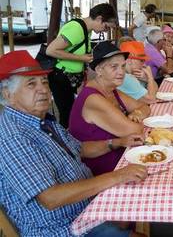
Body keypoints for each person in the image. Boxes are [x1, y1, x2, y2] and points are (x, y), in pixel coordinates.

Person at [0, 50, 148, 236]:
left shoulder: (43, 120)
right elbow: (51, 197)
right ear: (8, 94)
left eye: (44, 82)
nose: (44, 90)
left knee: (137, 203)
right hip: (63, 228)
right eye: (31, 84)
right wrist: (118, 176)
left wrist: (117, 142)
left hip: (85, 208)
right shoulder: (14, 136)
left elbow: (79, 148)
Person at [69, 41, 151, 176]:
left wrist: (137, 113)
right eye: (114, 67)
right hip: (102, 169)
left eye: (123, 66)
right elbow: (134, 131)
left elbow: (145, 107)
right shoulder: (93, 98)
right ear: (99, 70)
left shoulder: (111, 90)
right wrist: (134, 121)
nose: (121, 72)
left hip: (123, 155)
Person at [46, 3, 117, 128]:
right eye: (106, 27)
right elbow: (51, 50)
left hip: (71, 78)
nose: (105, 31)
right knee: (67, 115)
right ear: (99, 18)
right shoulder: (76, 29)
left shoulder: (86, 30)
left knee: (74, 112)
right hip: (61, 77)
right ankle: (66, 143)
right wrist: (81, 58)